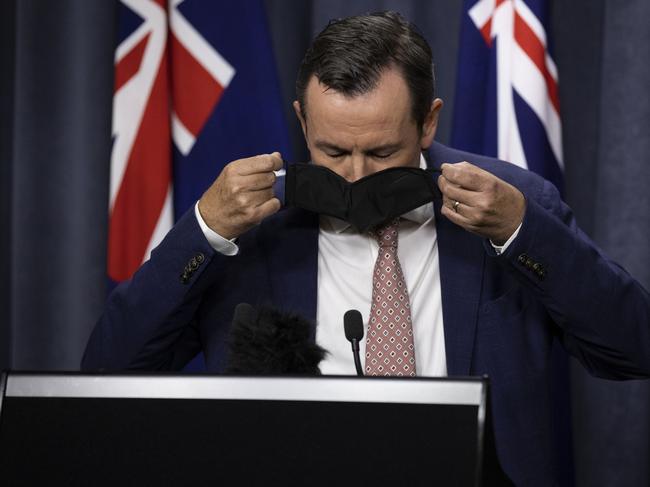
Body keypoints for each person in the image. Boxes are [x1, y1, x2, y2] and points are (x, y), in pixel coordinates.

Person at [82, 11, 650, 485]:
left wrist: (522, 232)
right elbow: (109, 371)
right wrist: (203, 230)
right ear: (303, 121)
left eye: (380, 153)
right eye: (332, 151)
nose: (355, 177)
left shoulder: (515, 204)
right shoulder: (247, 225)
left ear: (427, 122)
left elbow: (631, 348)